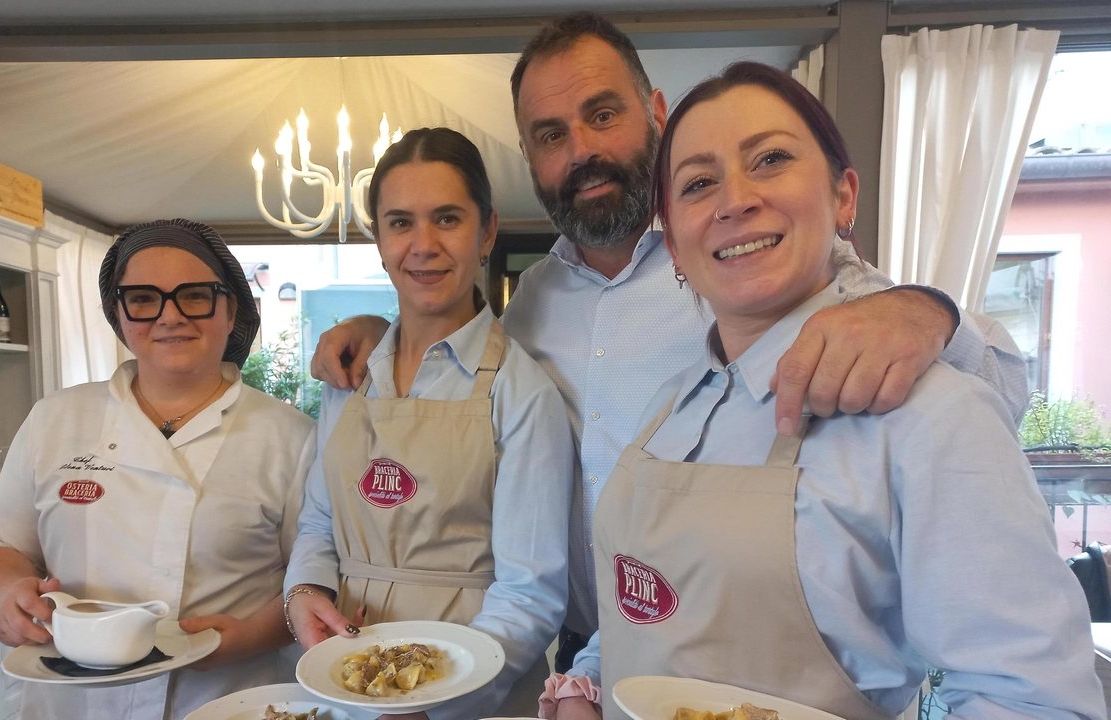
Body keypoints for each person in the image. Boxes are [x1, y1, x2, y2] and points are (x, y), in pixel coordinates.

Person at [310, 12, 1030, 673]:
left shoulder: (736, 257)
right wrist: (381, 330)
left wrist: (928, 315)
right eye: (552, 135)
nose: (582, 151)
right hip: (597, 651)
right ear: (529, 156)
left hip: (772, 656)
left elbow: (994, 386)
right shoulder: (531, 303)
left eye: (602, 114)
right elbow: (452, 373)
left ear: (655, 113)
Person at [545, 62, 1103, 720]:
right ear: (672, 239)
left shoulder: (929, 415)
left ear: (844, 195)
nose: (734, 200)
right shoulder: (670, 406)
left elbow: (1033, 698)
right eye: (698, 183)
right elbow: (653, 598)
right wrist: (589, 682)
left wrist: (930, 309)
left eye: (771, 158)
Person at [0, 219, 316, 719]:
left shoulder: (292, 437)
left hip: (227, 698)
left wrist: (247, 637)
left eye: (194, 296)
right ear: (117, 314)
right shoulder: (56, 419)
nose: (169, 317)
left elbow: (314, 579)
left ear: (231, 308)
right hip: (76, 703)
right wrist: (6, 595)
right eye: (143, 299)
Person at [283, 128, 573, 719]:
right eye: (400, 222)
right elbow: (320, 518)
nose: (423, 245)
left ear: (486, 230)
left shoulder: (523, 394)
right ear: (378, 238)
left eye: (446, 218)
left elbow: (530, 592)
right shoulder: (349, 376)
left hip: (472, 694)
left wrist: (433, 695)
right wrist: (305, 591)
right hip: (348, 674)